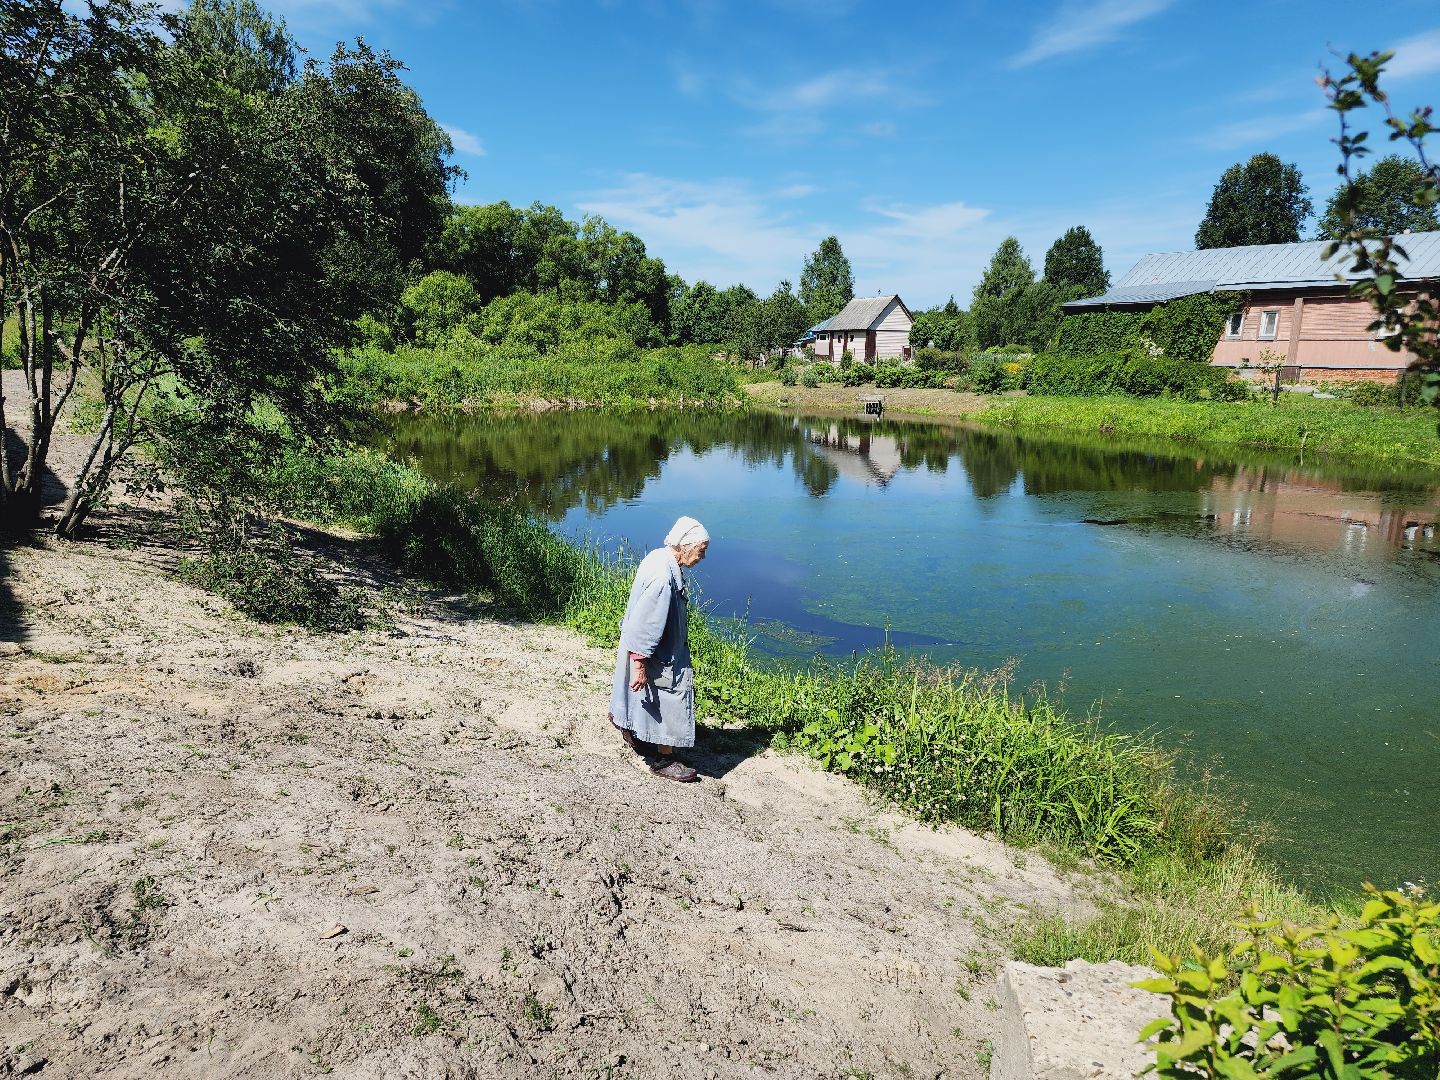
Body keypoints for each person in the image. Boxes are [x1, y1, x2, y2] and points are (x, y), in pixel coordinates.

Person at [608, 516, 709, 783]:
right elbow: (647, 624)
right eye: (701, 550)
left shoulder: (656, 557)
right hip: (655, 652)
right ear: (684, 546)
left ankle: (632, 730)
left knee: (644, 696)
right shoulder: (664, 578)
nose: (702, 557)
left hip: (643, 646)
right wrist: (639, 663)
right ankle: (664, 758)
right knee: (669, 696)